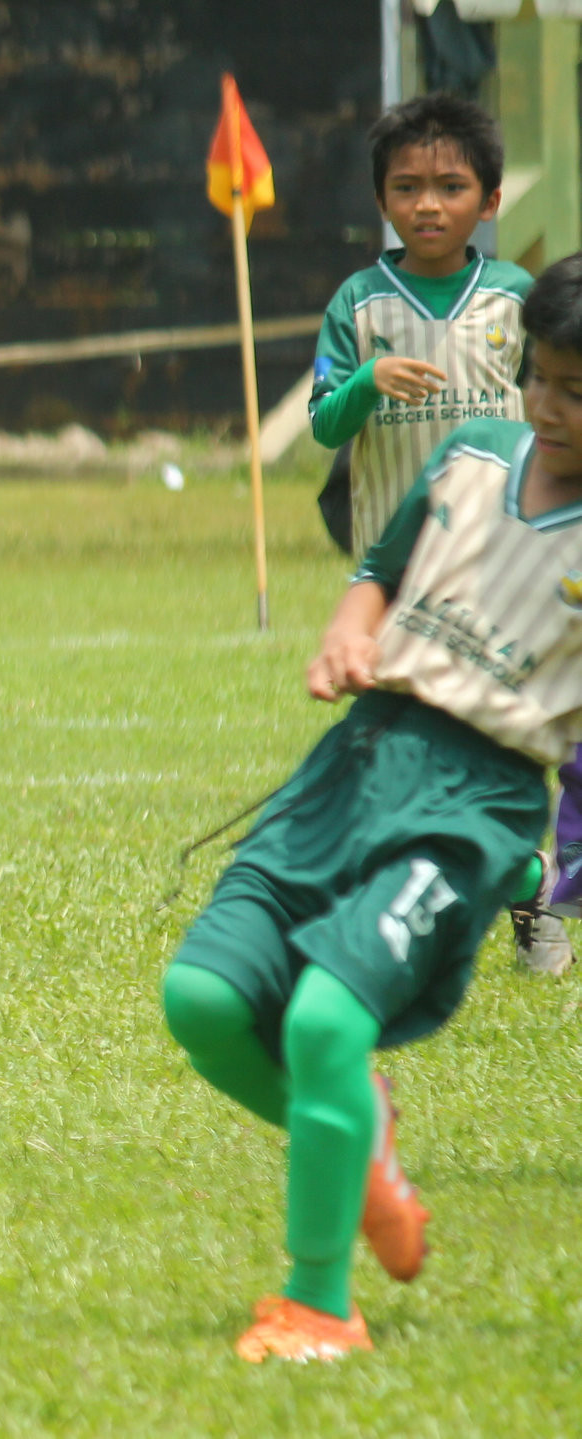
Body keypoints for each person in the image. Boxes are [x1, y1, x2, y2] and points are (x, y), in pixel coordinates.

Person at [164, 253, 582, 1363]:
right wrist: (348, 631)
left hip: (471, 807)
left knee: (319, 1024)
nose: (546, 406)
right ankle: (361, 1135)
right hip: (354, 761)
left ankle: (317, 1303)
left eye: (575, 391)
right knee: (202, 996)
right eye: (539, 376)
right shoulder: (468, 454)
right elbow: (379, 572)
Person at [306, 93, 569, 974]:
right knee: (409, 755)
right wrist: (369, 380)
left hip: (500, 562)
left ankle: (476, 892)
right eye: (407, 186)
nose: (428, 204)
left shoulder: (514, 301)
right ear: (381, 199)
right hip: (394, 566)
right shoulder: (358, 303)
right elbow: (325, 427)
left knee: (453, 749)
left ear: (490, 202)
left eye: (450, 186)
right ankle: (524, 874)